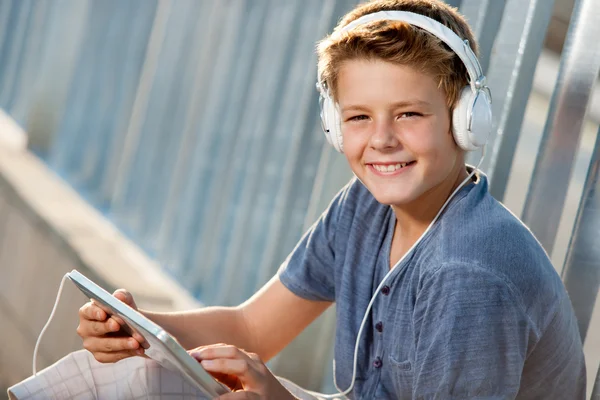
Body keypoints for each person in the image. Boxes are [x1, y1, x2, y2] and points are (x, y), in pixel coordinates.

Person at [76, 0, 587, 398]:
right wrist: (142, 331)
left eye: (409, 114)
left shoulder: (470, 273)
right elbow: (252, 326)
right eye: (359, 117)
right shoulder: (365, 208)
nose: (381, 140)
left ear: (466, 120)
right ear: (333, 125)